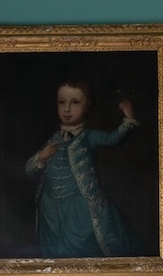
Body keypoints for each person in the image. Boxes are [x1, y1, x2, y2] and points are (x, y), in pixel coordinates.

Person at [24, 80, 142, 257]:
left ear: (87, 107)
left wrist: (129, 119)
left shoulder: (90, 136)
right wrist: (41, 156)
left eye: (75, 102)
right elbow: (28, 171)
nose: (66, 109)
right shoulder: (54, 138)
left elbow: (113, 139)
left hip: (80, 208)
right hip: (50, 210)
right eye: (62, 102)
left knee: (88, 248)